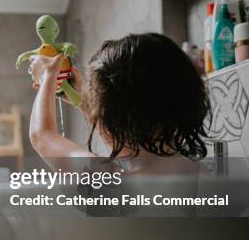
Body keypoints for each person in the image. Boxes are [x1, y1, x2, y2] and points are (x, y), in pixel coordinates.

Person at [28, 33, 210, 163]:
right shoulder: (204, 174)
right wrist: (83, 100)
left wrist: (48, 76)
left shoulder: (111, 182)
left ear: (117, 121)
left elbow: (42, 136)